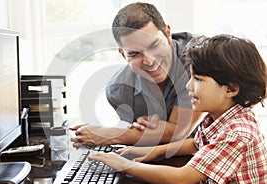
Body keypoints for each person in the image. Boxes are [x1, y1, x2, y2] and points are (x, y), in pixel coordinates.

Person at [88, 34, 267, 184]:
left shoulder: (237, 133)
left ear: (231, 89)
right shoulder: (220, 116)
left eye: (198, 79)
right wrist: (154, 151)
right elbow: (196, 144)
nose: (188, 86)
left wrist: (124, 165)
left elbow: (180, 179)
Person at [71, 2, 203, 147]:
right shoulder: (119, 91)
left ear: (168, 33)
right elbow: (143, 141)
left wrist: (110, 134)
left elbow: (178, 131)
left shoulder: (200, 57)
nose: (149, 60)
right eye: (134, 53)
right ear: (123, 54)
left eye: (154, 45)